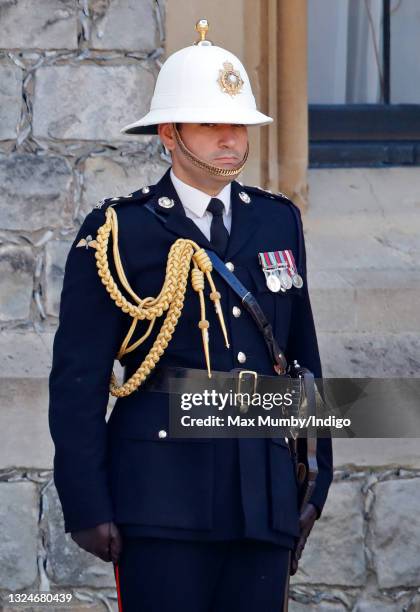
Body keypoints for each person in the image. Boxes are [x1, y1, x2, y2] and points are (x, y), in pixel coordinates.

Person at [49, 19, 333, 612]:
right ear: (169, 134)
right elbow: (77, 382)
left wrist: (315, 481)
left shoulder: (277, 221)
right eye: (211, 124)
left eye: (239, 125)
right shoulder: (117, 233)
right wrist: (88, 503)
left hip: (261, 500)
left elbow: (301, 357)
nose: (230, 139)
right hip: (159, 500)